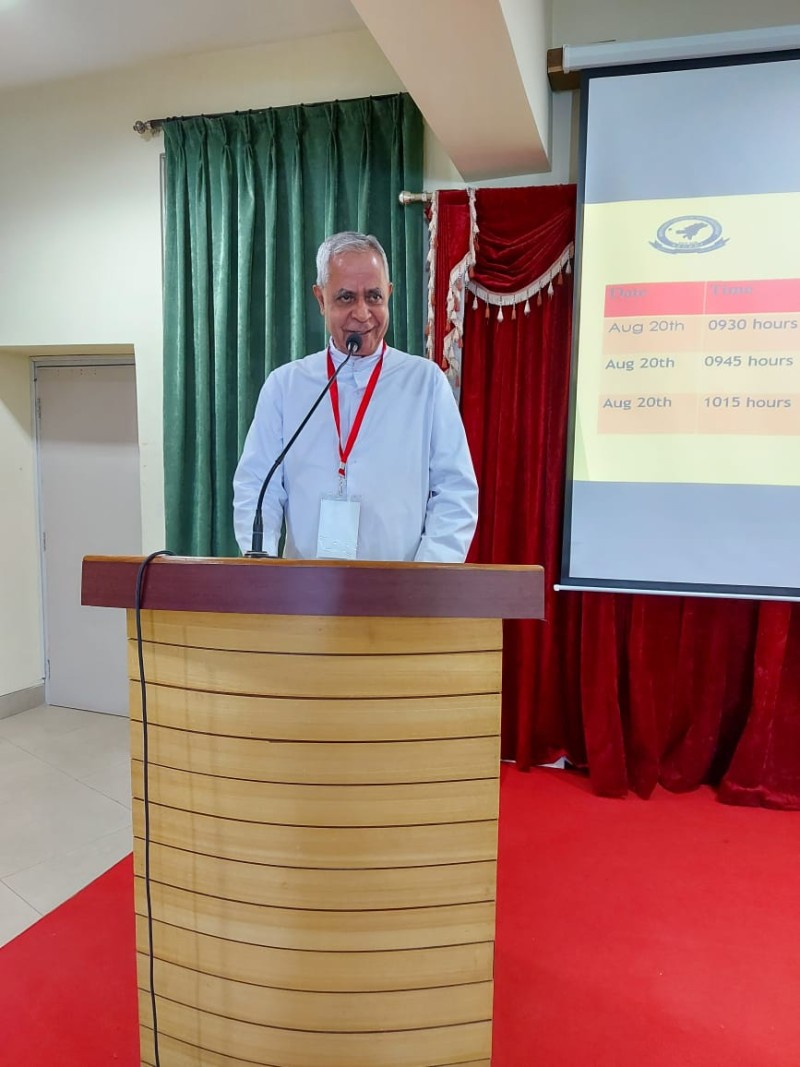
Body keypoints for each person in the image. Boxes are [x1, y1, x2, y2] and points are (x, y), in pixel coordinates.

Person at [233, 231, 478, 561]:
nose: (362, 314)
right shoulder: (285, 386)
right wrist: (260, 564)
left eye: (374, 297)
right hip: (304, 595)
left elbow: (455, 493)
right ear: (321, 300)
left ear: (389, 294)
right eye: (346, 298)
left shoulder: (426, 383)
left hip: (399, 596)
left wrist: (424, 581)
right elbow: (257, 486)